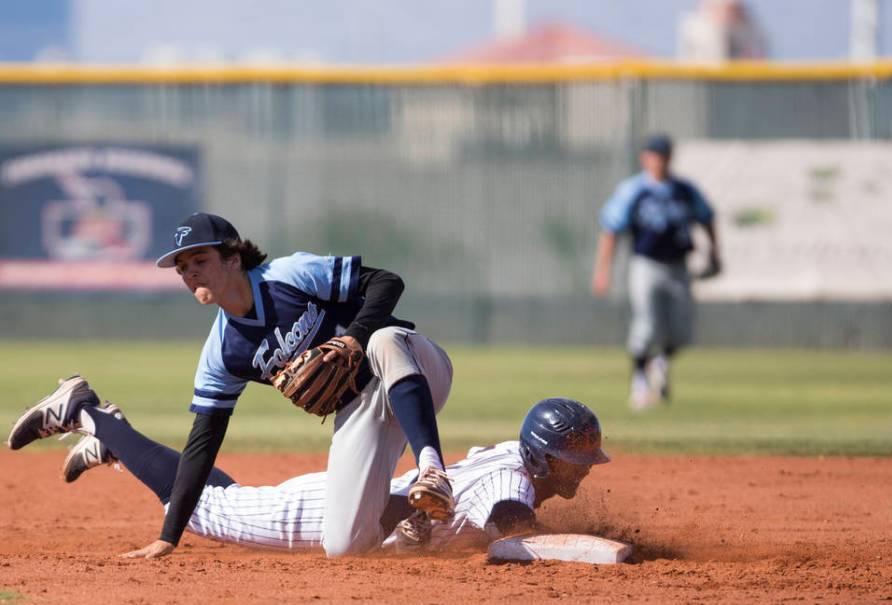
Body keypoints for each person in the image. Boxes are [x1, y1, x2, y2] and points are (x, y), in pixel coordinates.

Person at [8, 212, 455, 559]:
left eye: (200, 260)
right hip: (361, 409)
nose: (191, 274)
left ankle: (433, 469)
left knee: (385, 339)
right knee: (345, 544)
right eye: (183, 268)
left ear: (233, 258)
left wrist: (353, 338)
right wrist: (169, 538)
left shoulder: (288, 275)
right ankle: (413, 508)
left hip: (413, 367)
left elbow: (387, 282)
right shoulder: (222, 352)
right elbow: (204, 444)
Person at [16, 385, 609, 554]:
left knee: (230, 499)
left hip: (358, 502)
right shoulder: (512, 484)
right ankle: (87, 412)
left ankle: (116, 445)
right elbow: (516, 533)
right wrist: (606, 548)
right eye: (575, 460)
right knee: (201, 511)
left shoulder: (514, 455)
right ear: (544, 457)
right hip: (333, 512)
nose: (582, 471)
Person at [592, 134, 721, 410]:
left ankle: (659, 362)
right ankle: (639, 380)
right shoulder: (634, 189)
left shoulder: (684, 190)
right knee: (646, 326)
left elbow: (707, 217)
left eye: (663, 156)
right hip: (645, 264)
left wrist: (715, 253)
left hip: (678, 265)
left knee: (681, 331)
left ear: (669, 158)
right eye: (654, 155)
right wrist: (603, 269)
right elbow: (610, 229)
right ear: (644, 158)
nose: (658, 161)